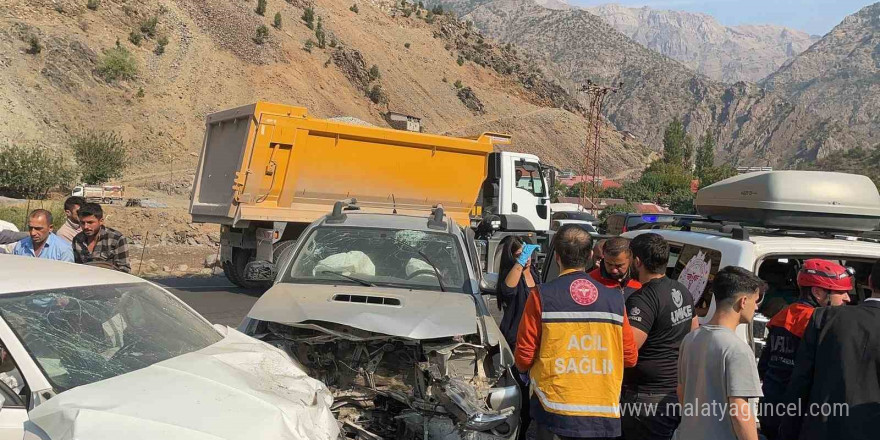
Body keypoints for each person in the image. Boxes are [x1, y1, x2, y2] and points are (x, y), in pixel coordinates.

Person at [515, 224, 638, 440]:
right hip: (602, 412)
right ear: (591, 255)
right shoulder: (615, 299)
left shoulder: (541, 296)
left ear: (557, 258)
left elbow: (524, 356)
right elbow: (630, 357)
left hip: (553, 411)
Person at [779, 259, 880, 440]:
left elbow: (800, 383)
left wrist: (788, 432)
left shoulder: (824, 317)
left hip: (820, 430)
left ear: (871, 281)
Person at [757, 259, 853, 439]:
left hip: (771, 407)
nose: (848, 298)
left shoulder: (782, 316)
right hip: (801, 415)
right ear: (817, 292)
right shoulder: (820, 324)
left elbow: (764, 366)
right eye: (841, 292)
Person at [674, 266, 765, 440]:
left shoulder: (691, 338)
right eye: (756, 301)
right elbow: (740, 411)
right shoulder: (738, 349)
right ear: (743, 301)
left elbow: (681, 392)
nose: (756, 308)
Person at [621, 233, 697, 440]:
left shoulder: (642, 299)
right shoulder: (683, 290)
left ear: (637, 261)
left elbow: (629, 348)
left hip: (646, 398)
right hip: (674, 390)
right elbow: (693, 333)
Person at [497, 237, 540, 440]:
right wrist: (519, 263)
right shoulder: (511, 274)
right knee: (520, 394)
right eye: (520, 254)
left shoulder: (535, 274)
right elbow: (507, 291)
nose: (526, 258)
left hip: (538, 339)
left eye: (528, 253)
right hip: (517, 339)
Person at [72, 203, 131, 273]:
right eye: (82, 223)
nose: (86, 227)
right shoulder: (78, 240)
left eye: (90, 222)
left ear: (101, 221)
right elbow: (77, 267)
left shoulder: (116, 239)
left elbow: (124, 270)